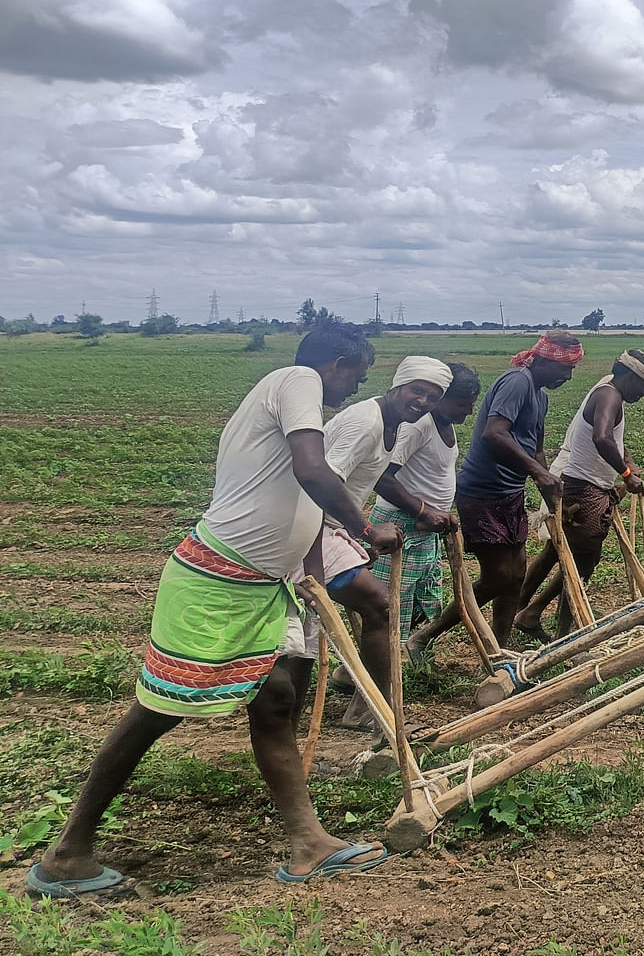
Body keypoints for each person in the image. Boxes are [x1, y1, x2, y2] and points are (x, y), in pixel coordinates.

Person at [29, 322, 402, 897]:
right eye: (358, 371)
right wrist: (363, 525)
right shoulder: (296, 378)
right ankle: (67, 852)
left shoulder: (306, 415)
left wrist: (315, 577)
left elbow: (299, 494)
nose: (357, 385)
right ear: (337, 361)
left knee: (277, 702)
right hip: (216, 581)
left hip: (264, 585)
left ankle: (309, 843)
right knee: (159, 710)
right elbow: (310, 472)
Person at [409, 330, 583, 653]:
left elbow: (537, 449)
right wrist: (536, 473)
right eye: (565, 368)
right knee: (499, 576)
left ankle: (499, 650)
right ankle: (425, 636)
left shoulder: (540, 396)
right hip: (483, 494)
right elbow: (494, 433)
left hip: (510, 494)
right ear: (545, 360)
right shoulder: (517, 382)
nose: (568, 376)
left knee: (516, 577)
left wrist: (546, 482)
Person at [318, 355, 452, 726]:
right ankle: (376, 713)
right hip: (308, 527)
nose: (423, 402)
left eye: (432, 397)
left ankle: (367, 706)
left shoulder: (392, 424)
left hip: (329, 527)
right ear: (397, 386)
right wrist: (366, 530)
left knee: (376, 608)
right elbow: (323, 482)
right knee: (380, 606)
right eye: (417, 391)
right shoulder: (366, 422)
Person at [513, 349, 644, 641]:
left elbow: (613, 438)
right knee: (583, 561)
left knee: (557, 551)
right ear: (629, 377)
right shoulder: (610, 396)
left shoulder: (608, 388)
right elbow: (602, 438)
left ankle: (523, 610)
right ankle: (554, 628)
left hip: (577, 482)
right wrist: (627, 475)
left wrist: (628, 465)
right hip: (584, 487)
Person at [367, 362, 480, 661]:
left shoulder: (443, 425)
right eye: (462, 404)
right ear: (440, 398)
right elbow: (382, 477)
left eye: (471, 405)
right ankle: (378, 674)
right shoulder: (419, 426)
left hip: (425, 529)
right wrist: (423, 509)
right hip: (400, 526)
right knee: (391, 606)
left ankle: (397, 662)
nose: (468, 412)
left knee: (422, 600)